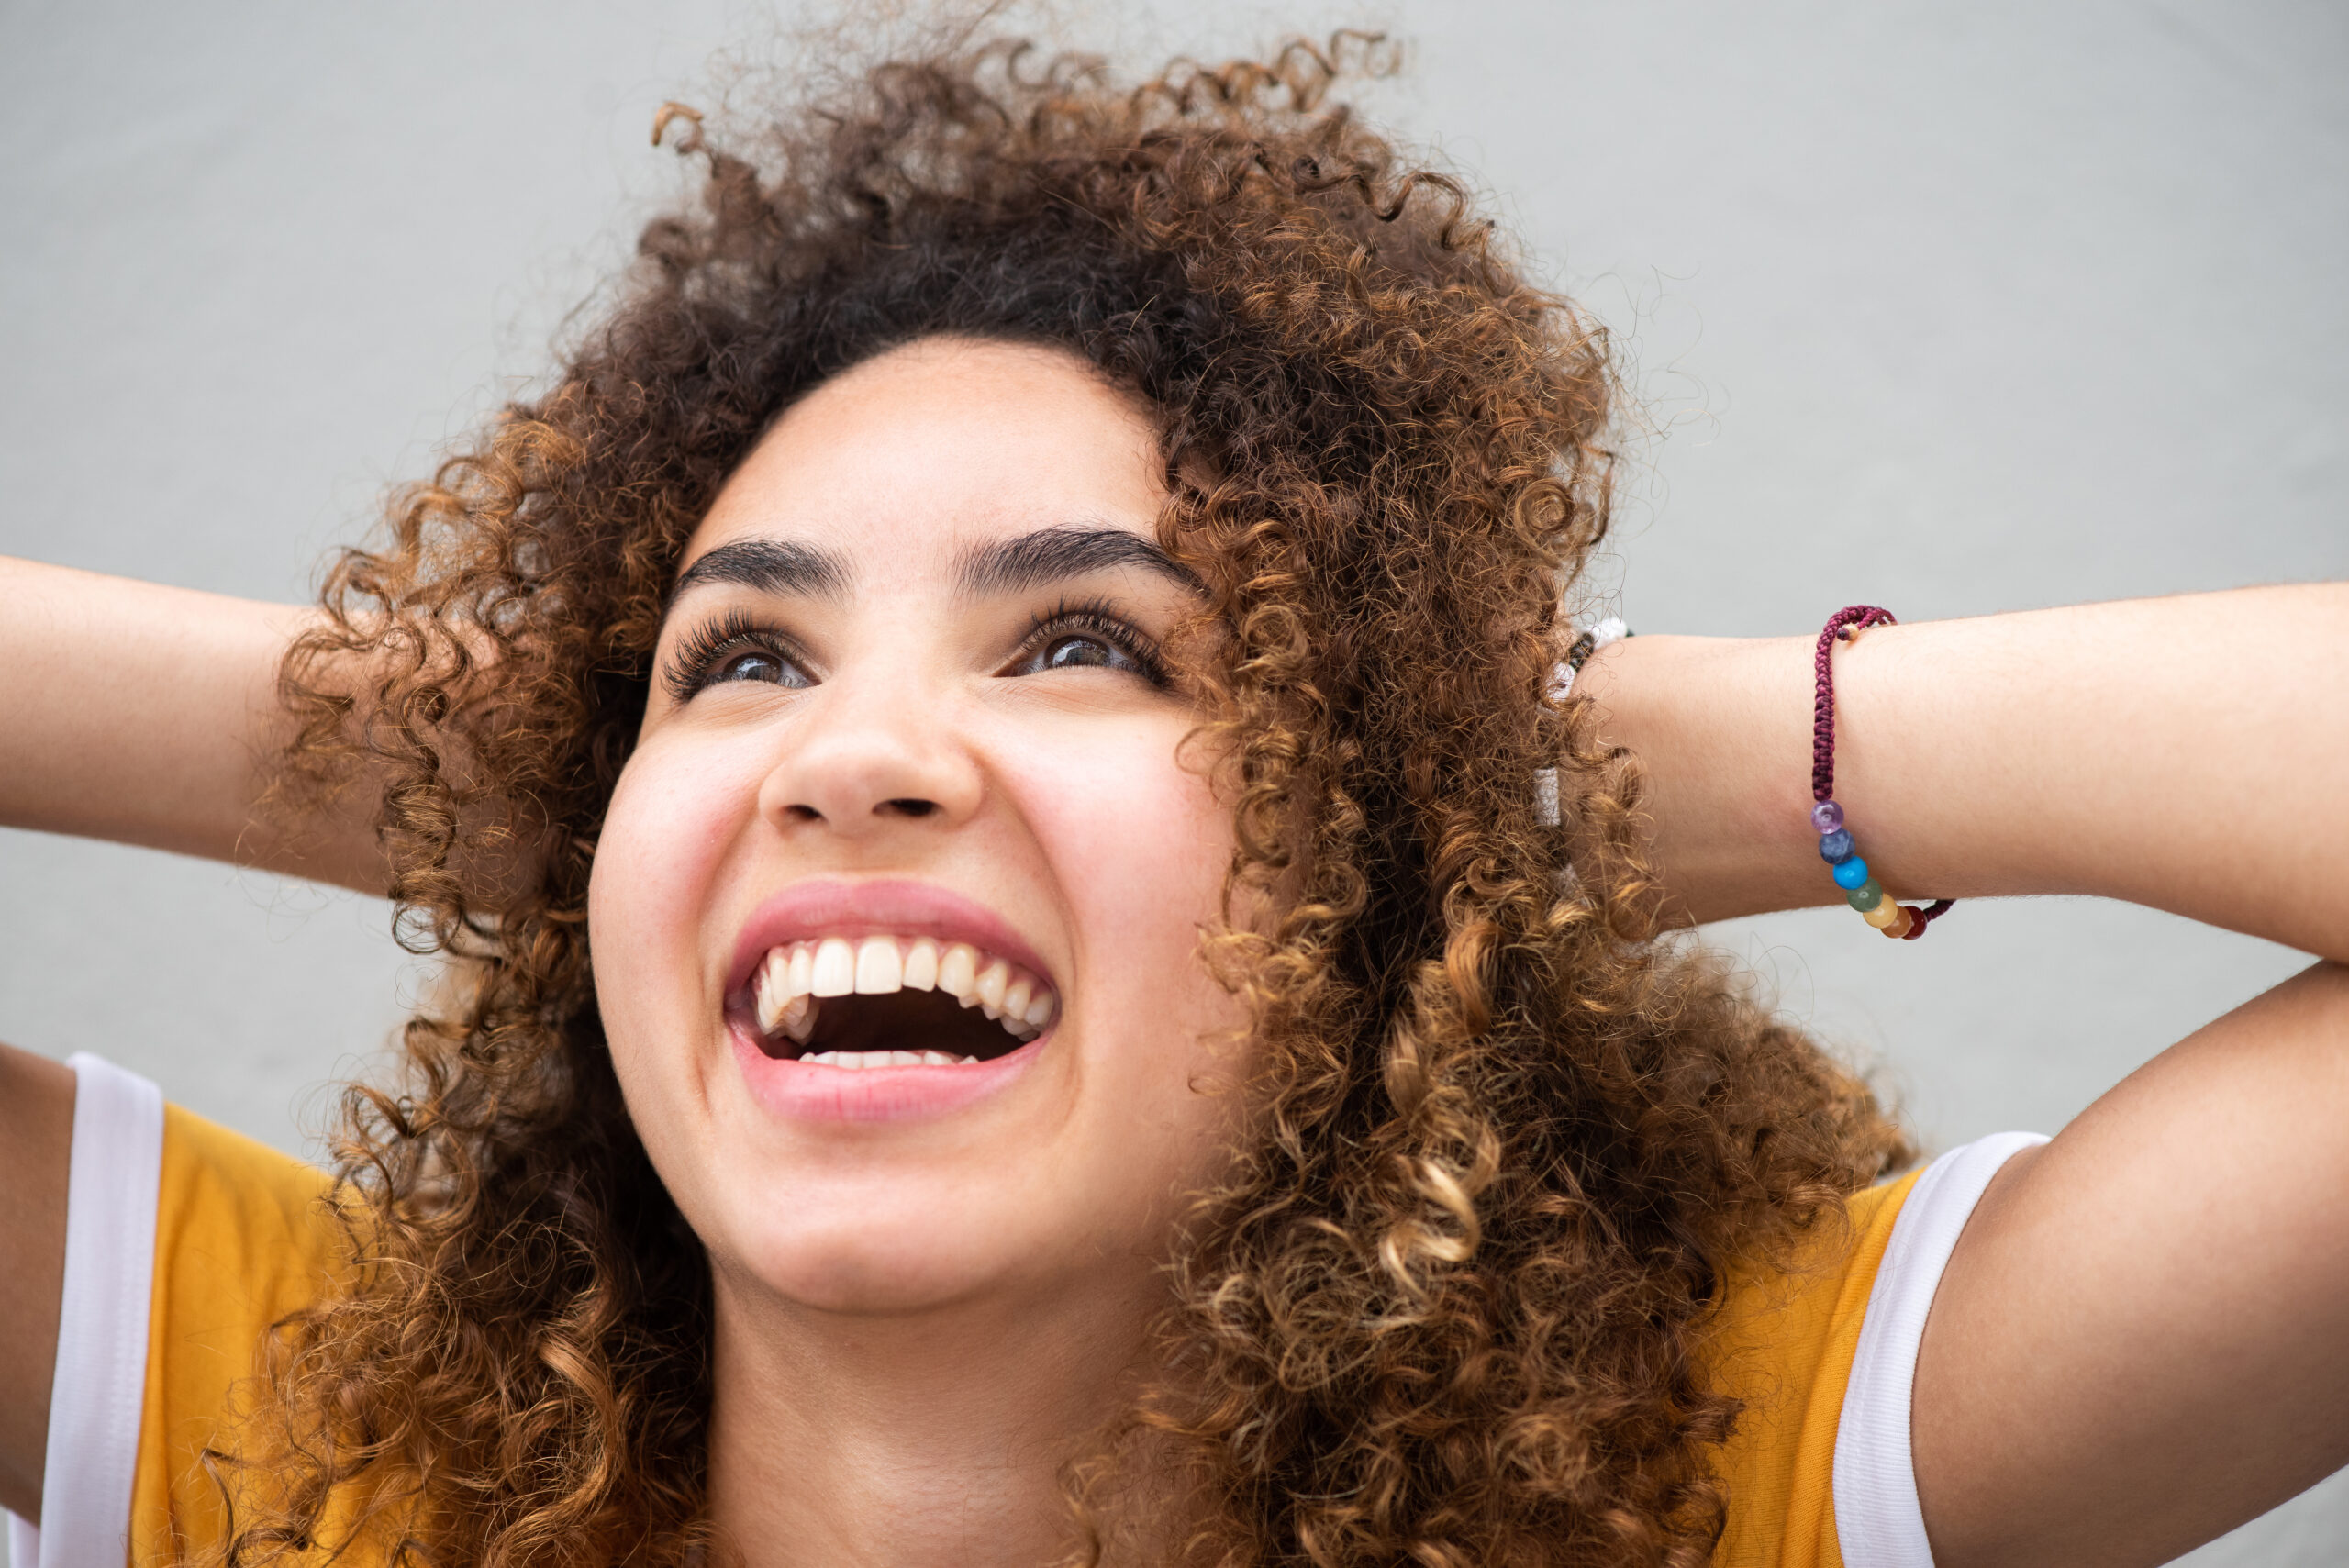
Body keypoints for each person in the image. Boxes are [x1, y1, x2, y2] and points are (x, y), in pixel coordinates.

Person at [1, 33, 2343, 1568]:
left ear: (1365, 860)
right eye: (741, 662)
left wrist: (1523, 783)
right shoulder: (284, 1443)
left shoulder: (1731, 1470)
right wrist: (472, 768)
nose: (864, 752)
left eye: (1080, 642)